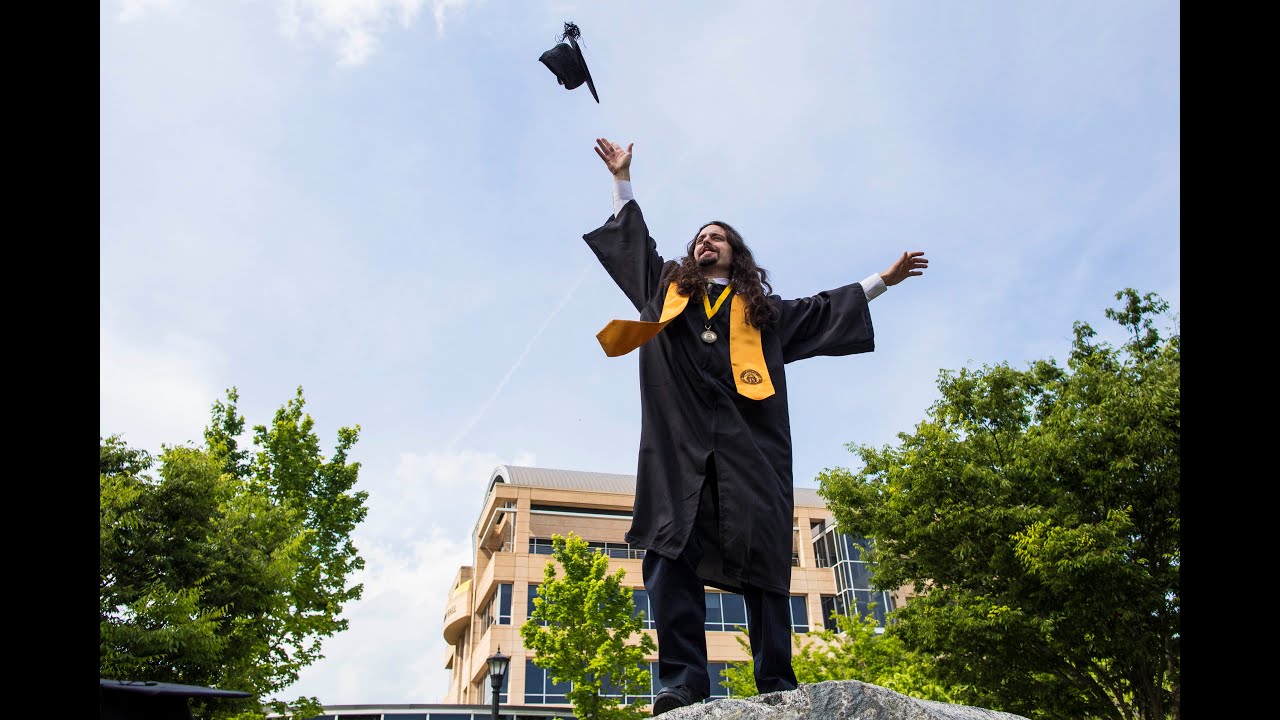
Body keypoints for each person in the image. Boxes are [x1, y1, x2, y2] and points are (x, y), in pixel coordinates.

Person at [583, 137, 927, 716]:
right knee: (669, 552)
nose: (705, 240)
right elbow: (635, 248)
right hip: (679, 448)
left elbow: (822, 310)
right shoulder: (667, 291)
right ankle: (684, 682)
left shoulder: (764, 317)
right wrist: (623, 179)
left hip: (751, 451)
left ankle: (775, 679)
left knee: (766, 556)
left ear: (735, 253)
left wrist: (883, 281)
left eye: (717, 236)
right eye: (700, 236)